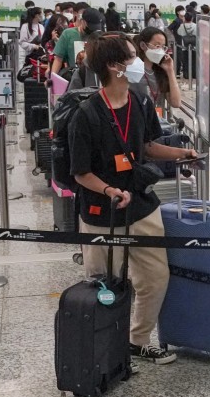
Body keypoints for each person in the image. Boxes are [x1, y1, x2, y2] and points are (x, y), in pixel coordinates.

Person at [70, 33, 201, 365]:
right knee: (103, 284)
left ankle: (137, 340)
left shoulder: (141, 102)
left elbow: (148, 147)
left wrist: (183, 153)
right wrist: (110, 191)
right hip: (103, 211)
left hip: (141, 203)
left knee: (156, 276)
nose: (139, 63)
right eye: (132, 57)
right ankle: (102, 347)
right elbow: (80, 173)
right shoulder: (86, 114)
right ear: (115, 67)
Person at [135, 27, 180, 108]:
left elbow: (176, 103)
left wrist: (170, 71)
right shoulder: (132, 70)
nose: (161, 50)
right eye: (157, 45)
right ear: (143, 45)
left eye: (163, 47)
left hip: (157, 118)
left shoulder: (161, 72)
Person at [52, 8, 104, 76]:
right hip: (75, 77)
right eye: (90, 26)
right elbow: (58, 59)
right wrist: (53, 78)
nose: (93, 30)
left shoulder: (100, 36)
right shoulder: (68, 34)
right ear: (82, 21)